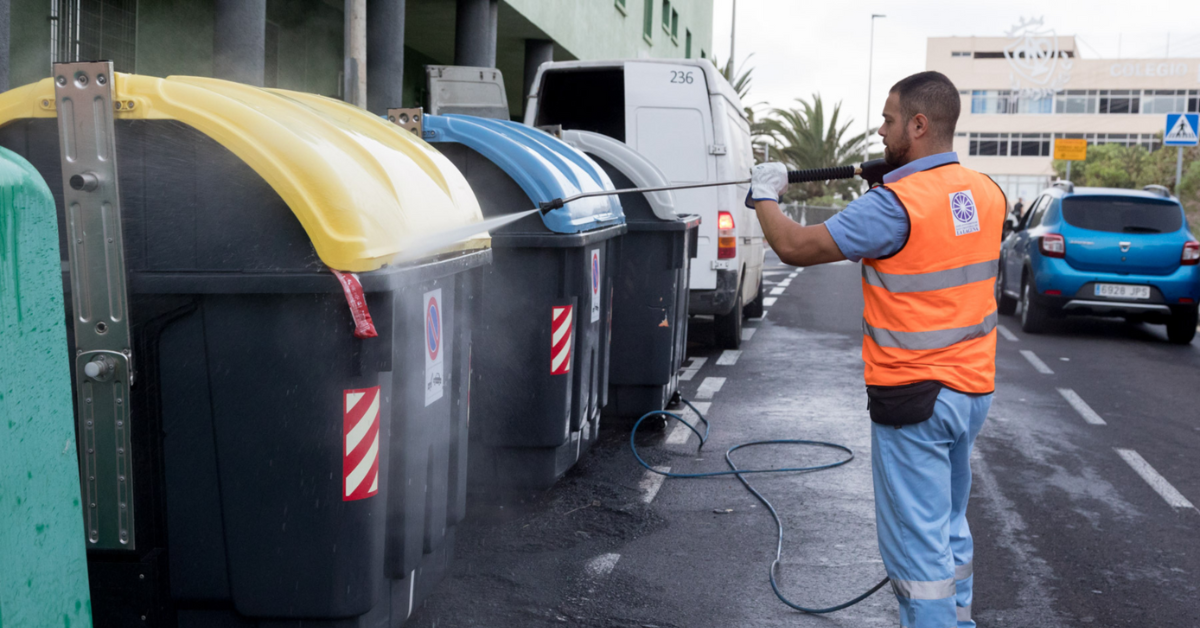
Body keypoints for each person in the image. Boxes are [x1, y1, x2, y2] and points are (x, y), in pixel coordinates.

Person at [746, 70, 1004, 628]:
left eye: (888, 121)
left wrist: (764, 195)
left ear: (918, 123)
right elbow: (936, 239)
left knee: (918, 558)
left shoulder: (895, 205)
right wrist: (892, 176)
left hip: (914, 400)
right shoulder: (987, 193)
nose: (880, 131)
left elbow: (793, 245)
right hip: (970, 393)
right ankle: (960, 620)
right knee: (949, 527)